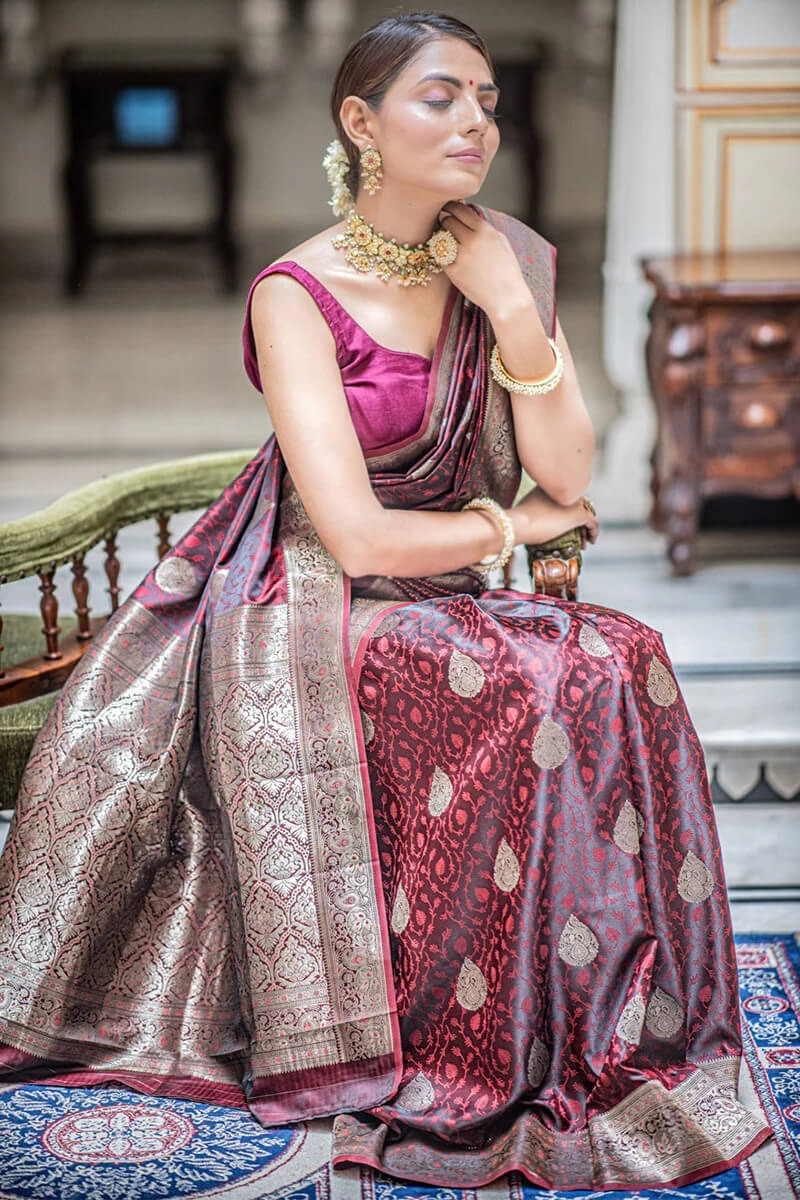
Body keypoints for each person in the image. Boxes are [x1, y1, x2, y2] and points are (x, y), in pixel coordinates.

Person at [0, 10, 770, 1191]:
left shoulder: (502, 260)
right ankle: (461, 1030)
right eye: (440, 98)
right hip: (302, 601)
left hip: (444, 582)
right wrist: (513, 529)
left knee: (622, 653)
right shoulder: (297, 293)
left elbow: (566, 471)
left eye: (487, 100)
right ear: (359, 123)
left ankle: (590, 1015)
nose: (475, 121)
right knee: (530, 678)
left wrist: (513, 312)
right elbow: (354, 530)